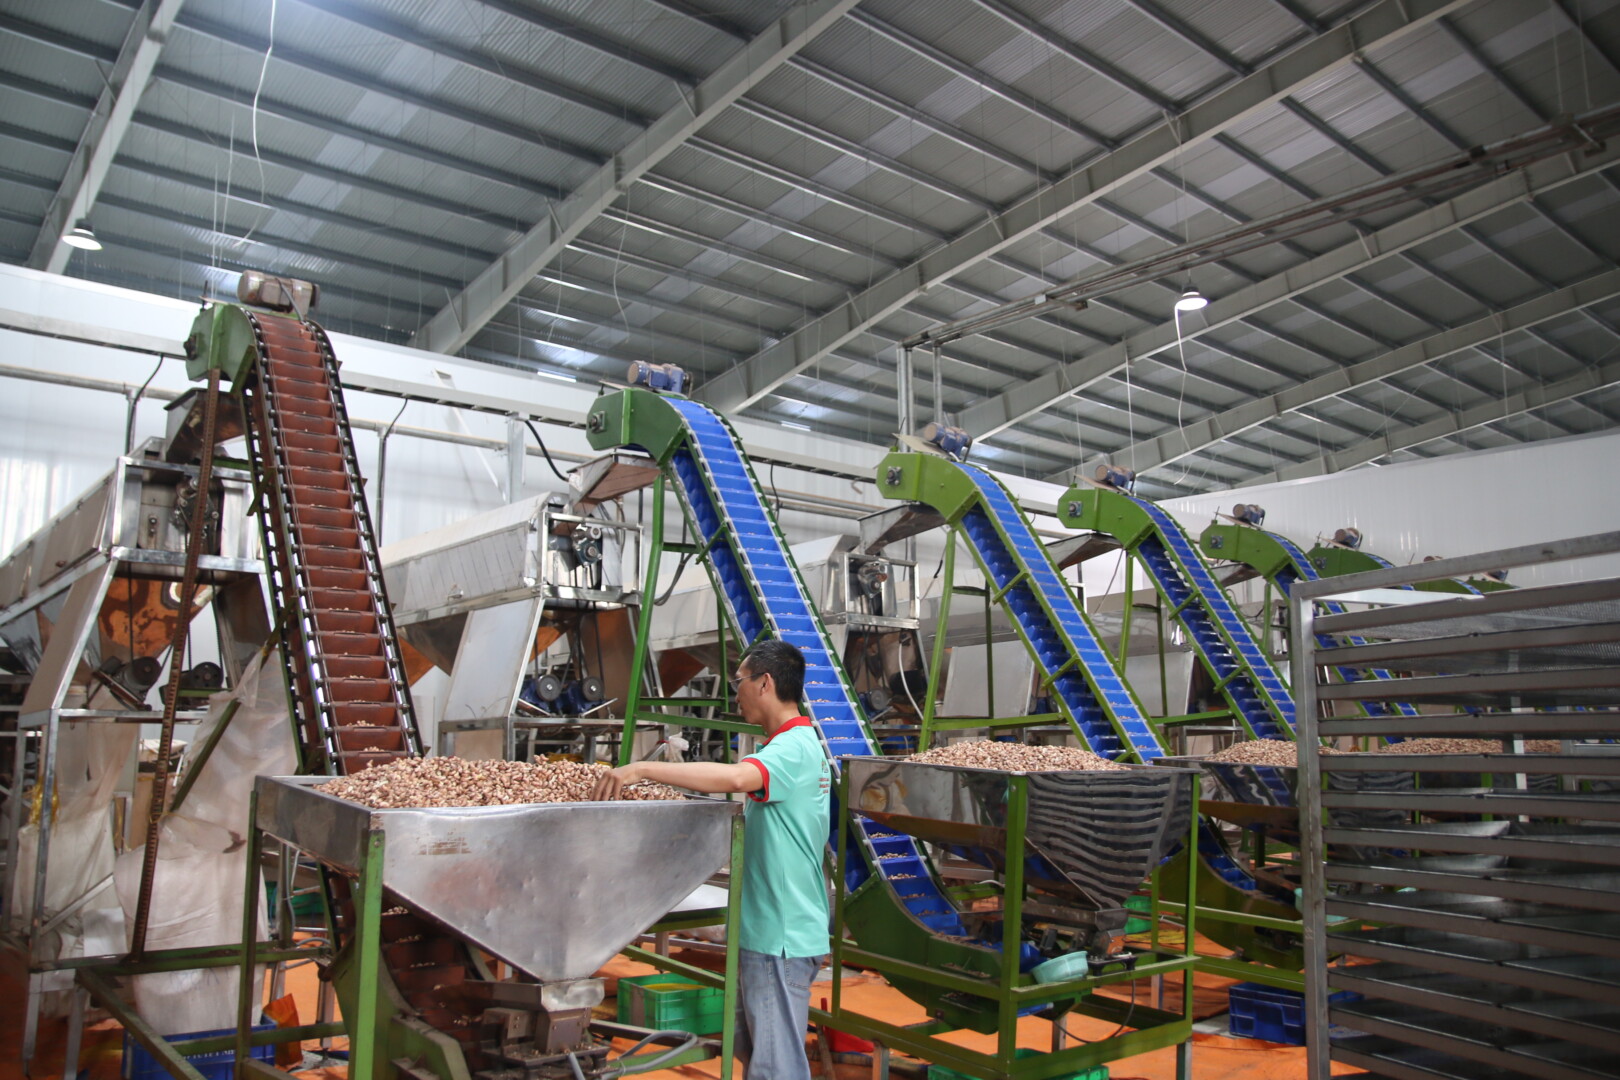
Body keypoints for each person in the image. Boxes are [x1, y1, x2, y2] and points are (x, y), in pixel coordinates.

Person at [593, 640, 829, 1080]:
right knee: (753, 1047)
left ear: (765, 683)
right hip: (773, 931)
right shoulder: (794, 744)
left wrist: (640, 770)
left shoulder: (793, 748)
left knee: (776, 1067)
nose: (734, 692)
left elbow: (739, 777)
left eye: (738, 681)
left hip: (782, 935)